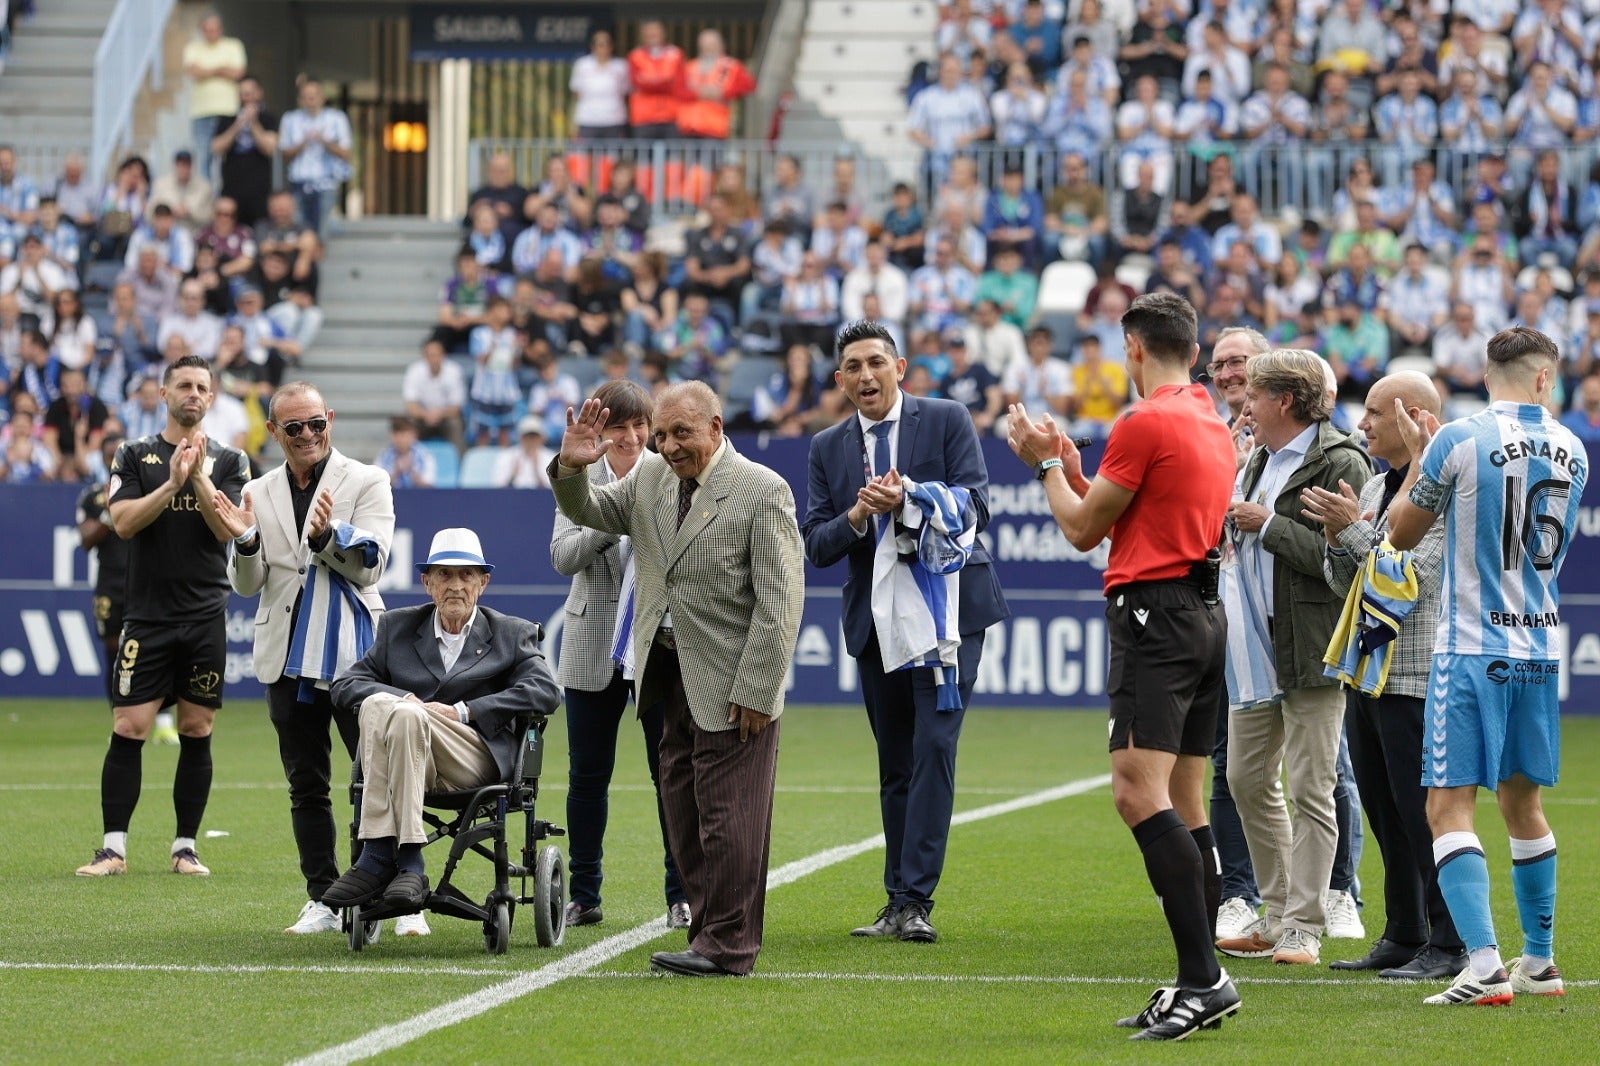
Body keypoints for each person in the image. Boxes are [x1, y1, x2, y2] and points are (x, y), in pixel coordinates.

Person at [1006, 291, 1239, 1040]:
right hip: (1204, 616)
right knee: (1186, 799)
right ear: (1194, 350)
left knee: (1137, 795)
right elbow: (1121, 515)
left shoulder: (1143, 421)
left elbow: (1080, 531)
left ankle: (1204, 980)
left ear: (1132, 349)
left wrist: (1044, 464)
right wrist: (1074, 469)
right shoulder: (1208, 418)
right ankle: (1196, 978)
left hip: (1155, 619)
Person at [550, 382, 804, 976]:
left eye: (680, 433)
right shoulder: (652, 478)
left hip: (735, 683)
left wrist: (761, 688)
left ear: (716, 427)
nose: (667, 446)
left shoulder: (763, 489)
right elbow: (587, 512)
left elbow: (780, 602)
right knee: (684, 811)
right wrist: (571, 466)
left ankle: (729, 946)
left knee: (730, 818)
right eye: (660, 436)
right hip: (664, 677)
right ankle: (704, 932)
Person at [1385, 326, 1588, 1006]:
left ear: (1488, 369)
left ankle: (1483, 964)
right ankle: (1539, 961)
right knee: (1524, 803)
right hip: (1537, 649)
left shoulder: (1458, 438)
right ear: (1542, 378)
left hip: (1471, 646)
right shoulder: (1573, 449)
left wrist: (1419, 462)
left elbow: (1401, 536)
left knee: (1447, 807)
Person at [801, 320, 1008, 942]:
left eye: (875, 363)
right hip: (877, 623)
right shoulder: (826, 447)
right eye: (853, 368)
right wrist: (860, 513)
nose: (865, 376)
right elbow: (816, 543)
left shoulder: (946, 418)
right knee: (895, 762)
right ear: (840, 381)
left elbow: (976, 505)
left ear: (900, 368)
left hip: (947, 617)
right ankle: (897, 900)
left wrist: (912, 498)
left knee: (934, 749)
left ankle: (915, 901)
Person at [212, 380, 400, 934]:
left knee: (377, 778)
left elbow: (373, 567)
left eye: (316, 423)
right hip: (284, 655)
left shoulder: (368, 480)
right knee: (306, 783)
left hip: (352, 655)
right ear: (274, 432)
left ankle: (389, 891)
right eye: (293, 427)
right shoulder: (261, 489)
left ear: (330, 420)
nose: (307, 435)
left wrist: (325, 539)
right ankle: (323, 896)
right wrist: (246, 543)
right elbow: (249, 586)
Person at [1301, 371, 1467, 981]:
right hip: (1368, 672)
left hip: (1417, 673)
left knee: (1423, 811)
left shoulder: (1444, 485)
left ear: (1412, 415)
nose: (1361, 423)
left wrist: (1351, 533)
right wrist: (1339, 536)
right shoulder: (1374, 487)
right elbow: (1344, 582)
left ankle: (1450, 943)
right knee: (1382, 808)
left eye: (1373, 412)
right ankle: (1404, 932)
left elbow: (1409, 576)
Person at [1215, 349, 1373, 967]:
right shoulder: (1257, 457)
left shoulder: (1341, 459)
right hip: (1255, 646)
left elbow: (1349, 560)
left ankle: (1304, 925)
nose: (1243, 403)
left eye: (1253, 393)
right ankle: (1277, 912)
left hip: (1311, 645)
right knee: (1245, 778)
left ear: (1284, 400)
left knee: (1312, 786)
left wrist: (1265, 524)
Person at [322, 529, 561, 916]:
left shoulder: (511, 633)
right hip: (409, 756)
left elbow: (545, 691)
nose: (455, 585)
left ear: (483, 583)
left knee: (390, 708)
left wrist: (465, 711)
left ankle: (382, 856)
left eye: (466, 575)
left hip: (473, 758)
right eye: (444, 575)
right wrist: (408, 701)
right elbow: (346, 685)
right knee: (391, 708)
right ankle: (408, 862)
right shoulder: (396, 627)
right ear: (427, 583)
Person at [75, 355, 249, 878]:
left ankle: (185, 848)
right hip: (147, 617)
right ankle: (112, 850)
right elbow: (122, 522)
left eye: (201, 386)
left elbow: (231, 531)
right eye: (183, 385)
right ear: (163, 392)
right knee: (129, 725)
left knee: (197, 728)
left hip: (204, 617)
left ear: (212, 398)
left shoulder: (232, 460)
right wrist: (170, 486)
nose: (192, 393)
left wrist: (195, 478)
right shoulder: (133, 454)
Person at [549, 381, 688, 930]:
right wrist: (610, 523)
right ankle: (583, 892)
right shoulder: (578, 477)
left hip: (657, 646)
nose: (631, 438)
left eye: (639, 428)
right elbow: (561, 557)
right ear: (599, 433)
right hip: (589, 645)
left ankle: (681, 893)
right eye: (618, 428)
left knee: (670, 774)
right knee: (587, 776)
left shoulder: (671, 473)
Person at [278, 77, 352, 236]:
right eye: (306, 95)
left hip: (326, 184)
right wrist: (303, 143)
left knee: (322, 231)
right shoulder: (290, 119)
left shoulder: (337, 119)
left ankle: (319, 259)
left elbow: (345, 153)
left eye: (314, 94)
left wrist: (324, 141)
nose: (311, 99)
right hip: (298, 183)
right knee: (299, 231)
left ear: (322, 97)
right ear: (300, 98)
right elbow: (284, 154)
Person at [182, 15, 247, 184]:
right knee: (204, 159)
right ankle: (207, 198)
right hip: (201, 112)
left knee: (230, 158)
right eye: (207, 30)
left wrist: (207, 71)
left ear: (221, 29)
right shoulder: (193, 47)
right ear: (202, 31)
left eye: (214, 29)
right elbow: (194, 72)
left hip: (228, 111)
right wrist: (222, 68)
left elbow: (238, 72)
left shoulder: (233, 45)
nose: (211, 33)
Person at [627, 19, 686, 139]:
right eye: (649, 32)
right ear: (642, 35)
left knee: (671, 156)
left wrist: (650, 82)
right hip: (643, 117)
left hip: (671, 115)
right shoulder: (635, 56)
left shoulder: (676, 54)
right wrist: (665, 82)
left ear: (664, 33)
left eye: (655, 32)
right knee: (643, 156)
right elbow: (636, 83)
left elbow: (679, 83)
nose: (652, 35)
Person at [572, 29, 631, 140]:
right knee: (586, 156)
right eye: (599, 45)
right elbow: (576, 92)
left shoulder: (621, 66)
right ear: (593, 47)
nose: (602, 48)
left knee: (612, 156)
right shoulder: (582, 65)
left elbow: (626, 92)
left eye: (605, 44)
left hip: (614, 119)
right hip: (588, 119)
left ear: (611, 46)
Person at [494, 416, 555, 489]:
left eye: (534, 436)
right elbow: (498, 490)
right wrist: (512, 476)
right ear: (520, 437)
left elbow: (554, 493)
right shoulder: (506, 456)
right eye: (526, 436)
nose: (530, 440)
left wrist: (537, 472)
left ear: (542, 438)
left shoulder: (552, 458)